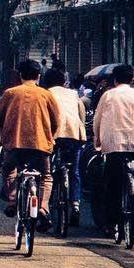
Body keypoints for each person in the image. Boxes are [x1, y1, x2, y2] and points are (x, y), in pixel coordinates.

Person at [93, 64, 134, 237]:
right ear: (132, 80)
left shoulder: (108, 95)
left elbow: (97, 121)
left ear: (114, 80)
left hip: (114, 145)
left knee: (111, 183)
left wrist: (97, 142)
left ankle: (110, 224)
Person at [0, 59, 59, 231]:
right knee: (46, 176)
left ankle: (11, 200)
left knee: (9, 169)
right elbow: (56, 121)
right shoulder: (46, 95)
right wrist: (49, 137)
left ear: (20, 75)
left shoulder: (10, 93)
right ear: (38, 76)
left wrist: (4, 136)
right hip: (40, 146)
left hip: (15, 145)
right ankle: (43, 207)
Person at [44, 67, 86, 226]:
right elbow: (81, 115)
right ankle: (75, 204)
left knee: (47, 170)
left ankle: (46, 204)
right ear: (64, 82)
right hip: (74, 135)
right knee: (74, 170)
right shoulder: (74, 94)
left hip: (53, 136)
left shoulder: (46, 94)